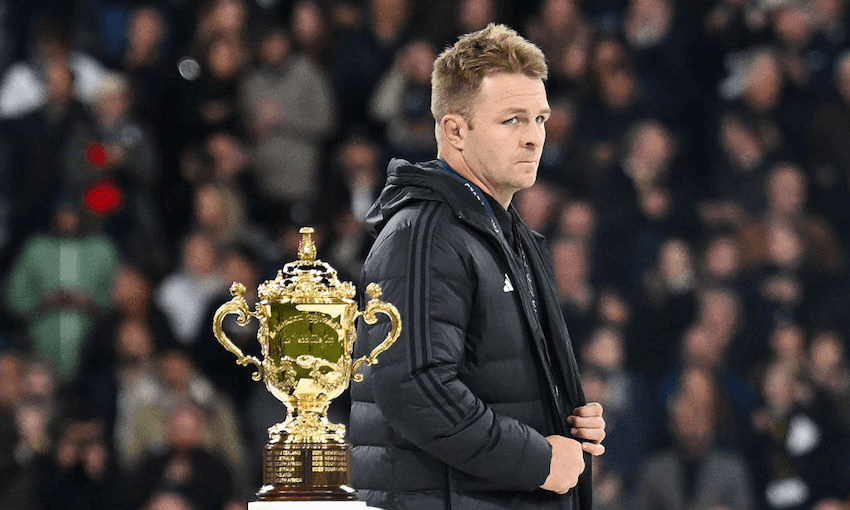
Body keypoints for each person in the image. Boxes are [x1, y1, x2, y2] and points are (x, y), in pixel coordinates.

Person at [349, 24, 605, 510]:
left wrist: (565, 416)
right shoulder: (423, 235)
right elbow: (415, 386)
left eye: (540, 120)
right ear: (455, 131)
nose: (534, 138)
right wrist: (538, 460)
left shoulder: (507, 234)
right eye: (512, 120)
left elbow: (493, 379)